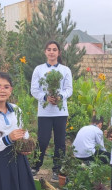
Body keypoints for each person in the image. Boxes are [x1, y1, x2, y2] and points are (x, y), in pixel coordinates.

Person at [30, 40, 73, 181]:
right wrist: (45, 98)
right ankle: (35, 166)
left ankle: (57, 168)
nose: (51, 52)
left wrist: (60, 96)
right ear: (45, 52)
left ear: (59, 52)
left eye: (54, 49)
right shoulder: (39, 69)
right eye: (49, 49)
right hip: (44, 112)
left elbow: (69, 90)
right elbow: (34, 90)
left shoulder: (65, 70)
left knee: (60, 141)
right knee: (42, 140)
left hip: (60, 112)